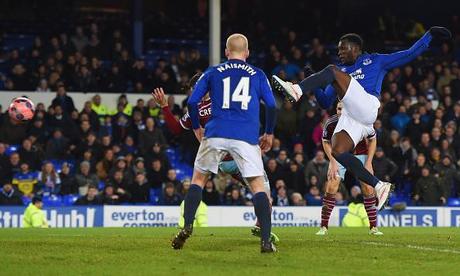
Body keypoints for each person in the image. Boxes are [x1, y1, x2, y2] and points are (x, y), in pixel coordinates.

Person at [273, 27, 452, 210]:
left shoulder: (374, 60)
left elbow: (408, 54)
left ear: (356, 48)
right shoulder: (340, 71)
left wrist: (429, 35)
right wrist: (314, 81)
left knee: (331, 71)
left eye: (343, 49)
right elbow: (325, 102)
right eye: (338, 50)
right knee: (338, 151)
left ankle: (296, 90)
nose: (340, 53)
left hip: (368, 106)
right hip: (353, 117)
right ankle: (379, 186)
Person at [171, 34, 277, 253]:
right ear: (247, 53)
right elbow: (272, 106)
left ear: (227, 52)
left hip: (216, 132)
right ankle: (266, 241)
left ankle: (187, 225)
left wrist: (198, 128)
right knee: (258, 186)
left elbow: (192, 101)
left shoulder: (212, 72)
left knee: (198, 180)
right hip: (246, 136)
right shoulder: (258, 74)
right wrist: (268, 133)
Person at [153, 75, 277, 243]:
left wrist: (165, 107)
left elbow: (175, 129)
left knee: (197, 182)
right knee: (263, 192)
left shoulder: (195, 110)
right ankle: (262, 230)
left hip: (219, 160)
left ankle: (188, 224)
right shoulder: (223, 102)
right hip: (237, 155)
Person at [316, 102, 382, 235]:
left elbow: (373, 140)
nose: (341, 111)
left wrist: (369, 162)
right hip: (340, 155)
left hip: (360, 154)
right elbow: (325, 141)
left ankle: (373, 227)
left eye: (343, 109)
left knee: (368, 188)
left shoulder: (361, 120)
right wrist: (332, 161)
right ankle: (323, 227)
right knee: (331, 186)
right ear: (336, 109)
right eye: (339, 109)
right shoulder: (331, 122)